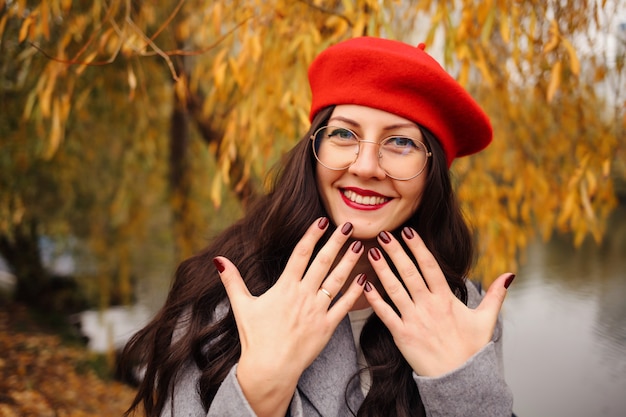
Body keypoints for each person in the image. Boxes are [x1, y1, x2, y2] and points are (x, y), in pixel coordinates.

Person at [121, 37, 515, 417]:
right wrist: (259, 388)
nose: (365, 167)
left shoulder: (463, 314)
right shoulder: (222, 300)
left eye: (400, 143)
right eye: (344, 134)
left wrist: (461, 387)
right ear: (315, 149)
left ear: (432, 174)